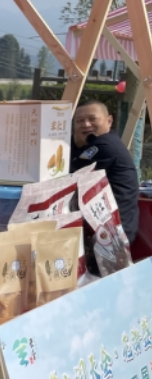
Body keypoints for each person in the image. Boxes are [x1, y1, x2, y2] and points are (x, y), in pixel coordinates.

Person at [70, 98, 140, 262]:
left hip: (112, 233)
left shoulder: (105, 146)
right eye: (80, 121)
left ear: (109, 121)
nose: (86, 124)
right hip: (106, 229)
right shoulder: (101, 142)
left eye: (92, 119)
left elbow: (70, 173)